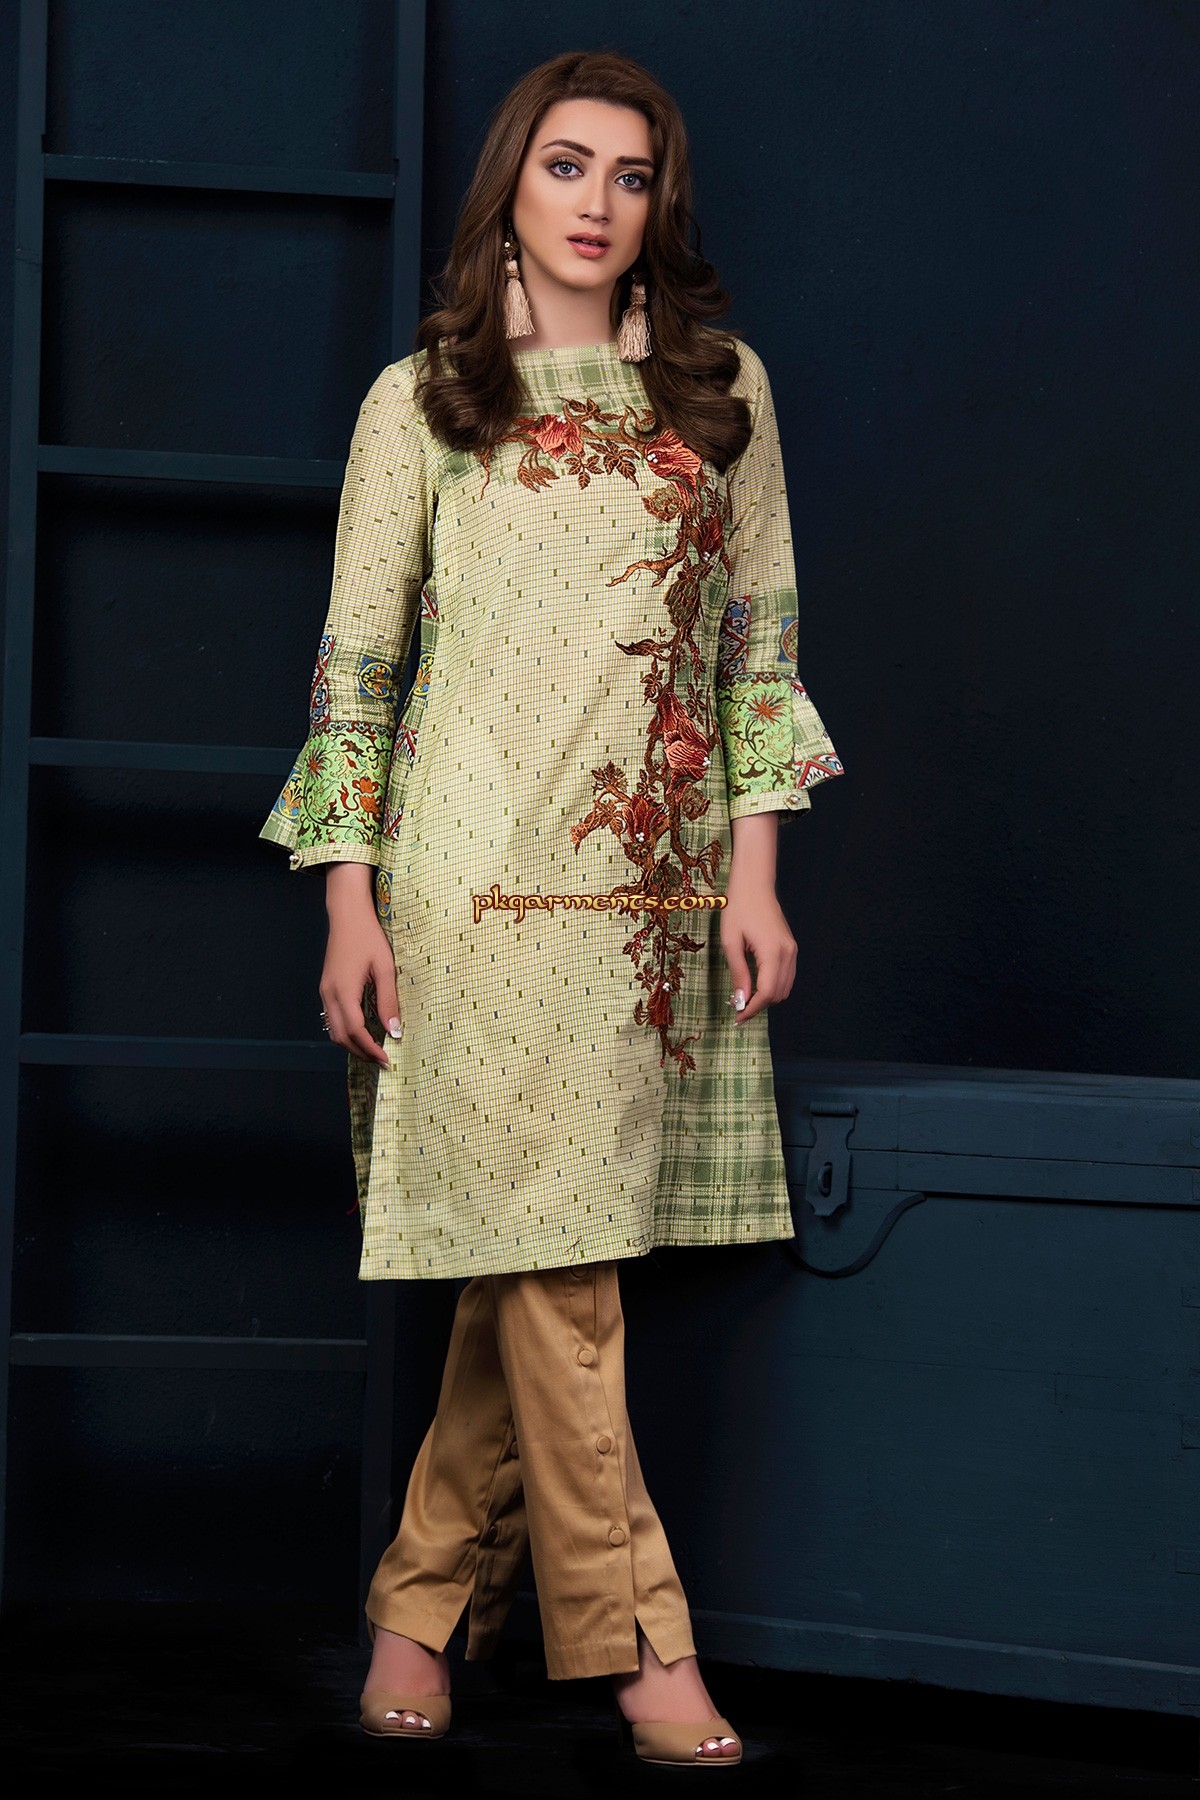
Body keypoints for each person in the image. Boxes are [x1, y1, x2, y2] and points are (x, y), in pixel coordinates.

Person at [261, 47, 843, 1769]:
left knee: (537, 1252)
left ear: (662, 206)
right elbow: (358, 671)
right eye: (567, 166)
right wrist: (348, 903)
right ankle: (644, 1639)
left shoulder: (722, 394)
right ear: (511, 185)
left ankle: (416, 1609)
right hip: (464, 889)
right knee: (564, 1267)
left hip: (649, 895)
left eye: (631, 176)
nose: (597, 204)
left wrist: (756, 876)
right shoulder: (424, 402)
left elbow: (761, 654)